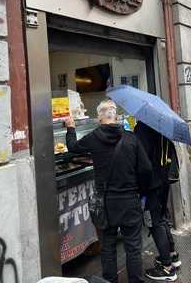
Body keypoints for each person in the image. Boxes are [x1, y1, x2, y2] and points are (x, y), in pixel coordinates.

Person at [65, 100, 152, 283]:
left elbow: (72, 148)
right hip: (130, 200)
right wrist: (140, 192)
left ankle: (110, 281)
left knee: (107, 247)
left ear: (99, 118)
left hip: (105, 203)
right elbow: (146, 169)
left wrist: (71, 127)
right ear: (116, 117)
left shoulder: (93, 137)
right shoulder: (131, 138)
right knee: (133, 247)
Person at [134, 121, 180, 282]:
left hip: (151, 184)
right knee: (161, 217)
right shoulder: (162, 126)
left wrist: (141, 188)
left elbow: (142, 162)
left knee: (154, 222)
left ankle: (167, 267)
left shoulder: (142, 128)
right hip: (163, 180)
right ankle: (172, 255)